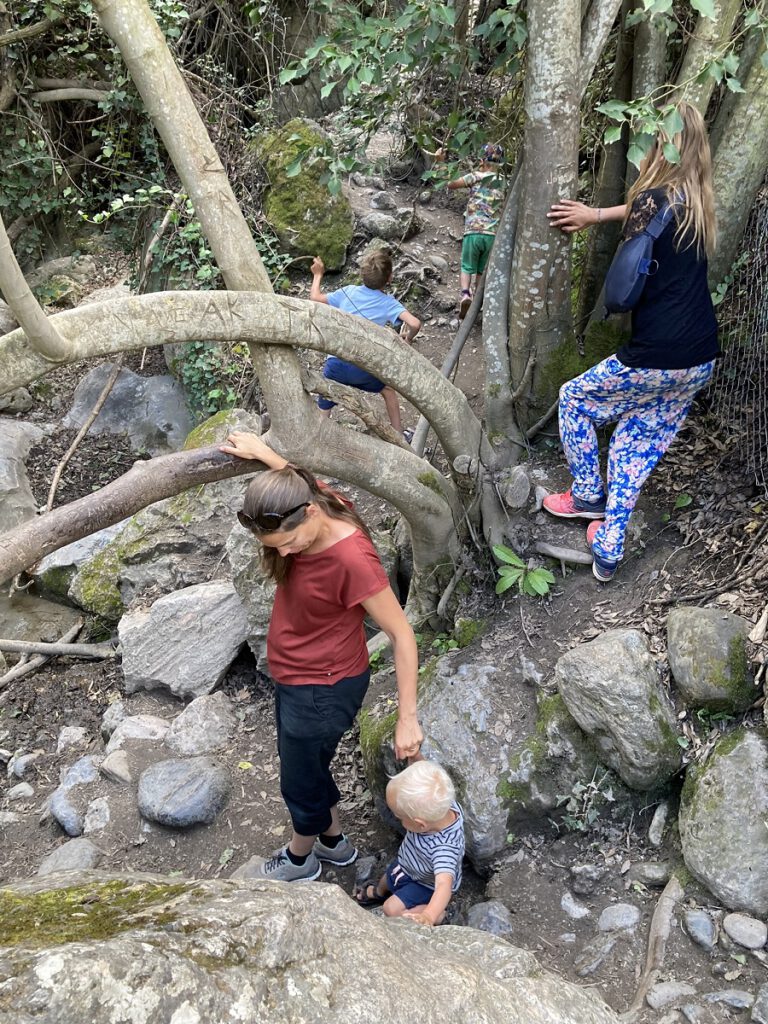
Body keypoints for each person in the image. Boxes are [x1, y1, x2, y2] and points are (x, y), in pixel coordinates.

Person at [219, 431, 424, 881]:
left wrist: (407, 717)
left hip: (322, 687)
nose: (287, 553)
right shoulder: (319, 504)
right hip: (301, 678)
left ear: (309, 515)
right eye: (276, 549)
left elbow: (401, 634)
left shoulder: (351, 558)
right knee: (309, 764)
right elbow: (296, 478)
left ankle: (300, 858)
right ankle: (334, 845)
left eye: (289, 543)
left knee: (298, 780)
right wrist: (265, 453)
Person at [544, 101, 719, 582]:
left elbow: (643, 210)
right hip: (699, 358)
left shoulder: (653, 197)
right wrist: (598, 213)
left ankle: (585, 495)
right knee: (635, 443)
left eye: (652, 137)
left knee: (574, 399)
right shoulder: (698, 201)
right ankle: (609, 547)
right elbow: (649, 210)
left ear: (664, 144)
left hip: (654, 354)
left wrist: (592, 212)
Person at [310, 249, 421, 436]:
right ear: (390, 278)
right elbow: (415, 323)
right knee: (387, 389)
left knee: (326, 395)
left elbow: (315, 298)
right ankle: (399, 436)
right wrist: (408, 339)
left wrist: (318, 274)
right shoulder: (388, 303)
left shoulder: (347, 292)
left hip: (335, 365)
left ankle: (318, 434)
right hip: (362, 369)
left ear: (362, 274)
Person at [354, 759, 464, 926]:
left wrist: (429, 915)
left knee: (391, 909)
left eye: (400, 817)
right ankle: (379, 892)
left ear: (420, 824)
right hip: (409, 862)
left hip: (425, 884)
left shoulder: (444, 849)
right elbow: (427, 779)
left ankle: (440, 915)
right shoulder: (442, 803)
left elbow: (443, 884)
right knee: (388, 878)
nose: (397, 819)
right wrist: (415, 757)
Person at [445, 143, 506, 319]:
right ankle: (478, 302)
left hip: (473, 231)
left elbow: (451, 184)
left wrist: (443, 164)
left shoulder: (475, 177)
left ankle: (465, 293)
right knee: (481, 270)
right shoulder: (504, 182)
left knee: (466, 266)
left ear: (481, 160)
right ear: (500, 163)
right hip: (492, 235)